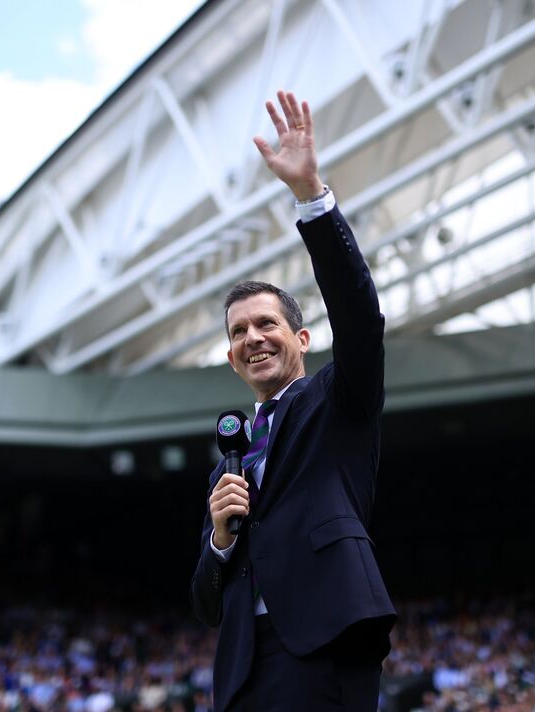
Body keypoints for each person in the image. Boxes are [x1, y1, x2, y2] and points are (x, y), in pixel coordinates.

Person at [190, 90, 396, 711]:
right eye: (238, 332)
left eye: (267, 324)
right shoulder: (229, 461)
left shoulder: (336, 402)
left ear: (301, 339)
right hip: (243, 668)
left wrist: (311, 197)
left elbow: (360, 319)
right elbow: (205, 602)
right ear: (231, 359)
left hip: (325, 643)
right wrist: (220, 541)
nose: (253, 337)